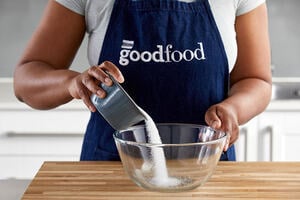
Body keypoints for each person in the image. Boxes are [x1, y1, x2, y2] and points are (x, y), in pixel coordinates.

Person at [14, 0, 272, 161]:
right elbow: (26, 80)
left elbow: (256, 80)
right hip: (111, 170)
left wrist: (234, 109)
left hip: (206, 170)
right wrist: (71, 84)